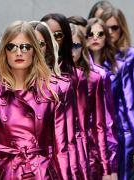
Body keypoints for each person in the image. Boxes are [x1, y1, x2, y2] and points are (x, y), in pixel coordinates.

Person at [0, 21, 70, 179]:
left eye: (25, 47)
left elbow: (62, 149)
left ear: (34, 51)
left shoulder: (53, 91)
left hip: (41, 173)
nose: (18, 52)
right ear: (4, 52)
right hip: (5, 173)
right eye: (11, 47)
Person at [86, 17, 134, 180]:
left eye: (100, 34)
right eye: (90, 33)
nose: (95, 37)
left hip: (113, 136)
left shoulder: (119, 68)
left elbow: (130, 105)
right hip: (85, 138)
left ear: (106, 38)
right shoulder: (77, 70)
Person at [41, 13, 90, 179]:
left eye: (58, 35)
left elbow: (81, 129)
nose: (53, 40)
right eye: (48, 34)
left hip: (66, 157)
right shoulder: (27, 75)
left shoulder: (76, 76)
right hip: (34, 160)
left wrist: (81, 170)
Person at [71, 23, 117, 180]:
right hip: (57, 158)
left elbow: (102, 125)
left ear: (82, 46)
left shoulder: (96, 77)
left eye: (76, 45)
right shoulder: (50, 80)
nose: (71, 51)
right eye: (67, 46)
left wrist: (107, 166)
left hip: (89, 155)